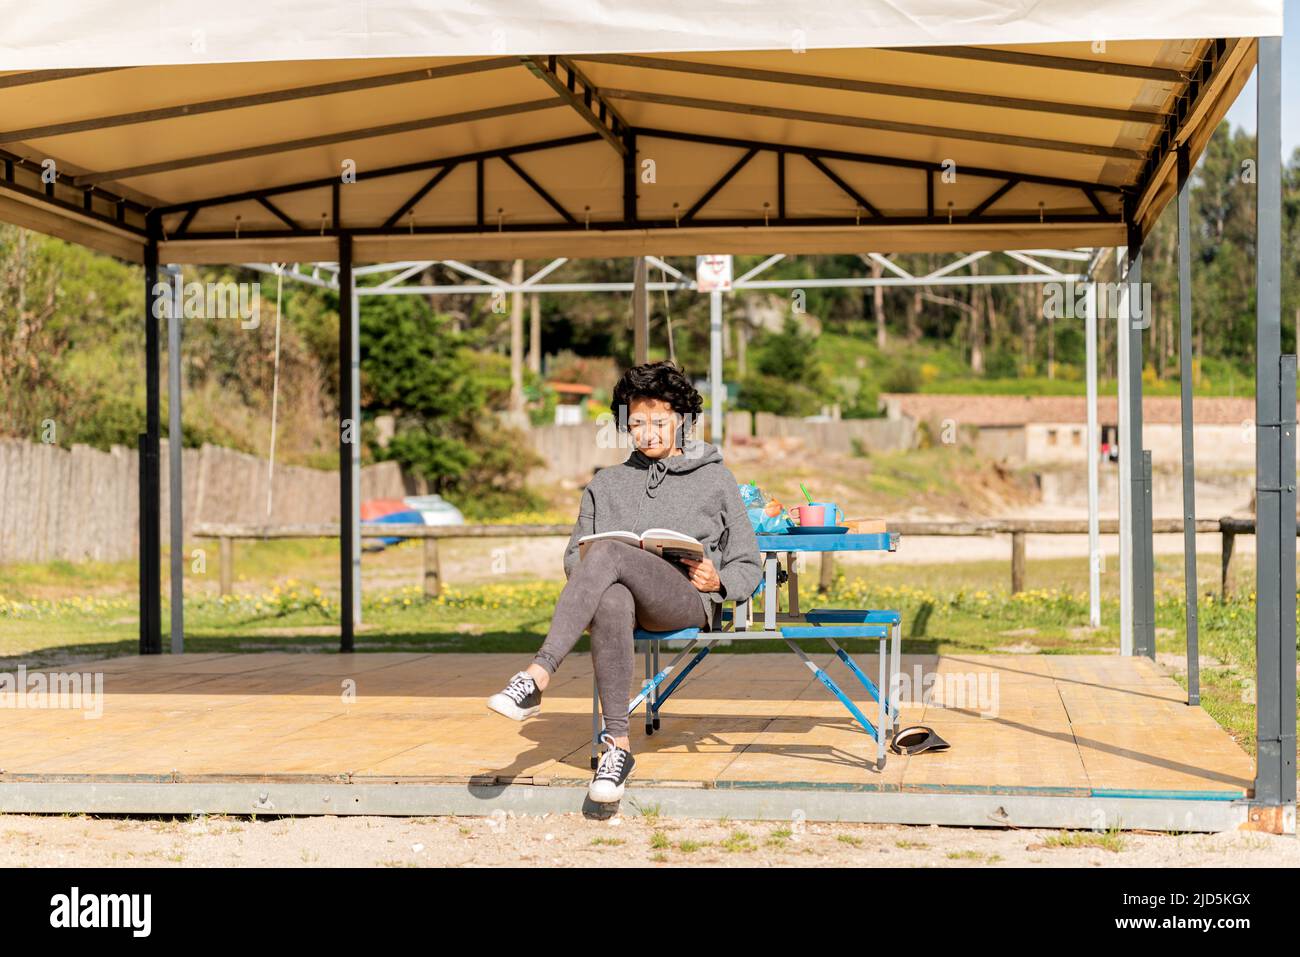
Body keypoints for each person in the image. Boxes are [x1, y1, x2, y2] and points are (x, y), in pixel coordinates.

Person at [486, 360, 762, 803]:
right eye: (636, 423)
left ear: (682, 420)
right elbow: (573, 560)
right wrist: (605, 570)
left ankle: (538, 674)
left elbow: (748, 562)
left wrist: (720, 581)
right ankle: (618, 748)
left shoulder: (716, 478)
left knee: (609, 552)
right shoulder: (605, 484)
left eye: (658, 421)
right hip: (627, 603)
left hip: (687, 599)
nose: (647, 432)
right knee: (611, 596)